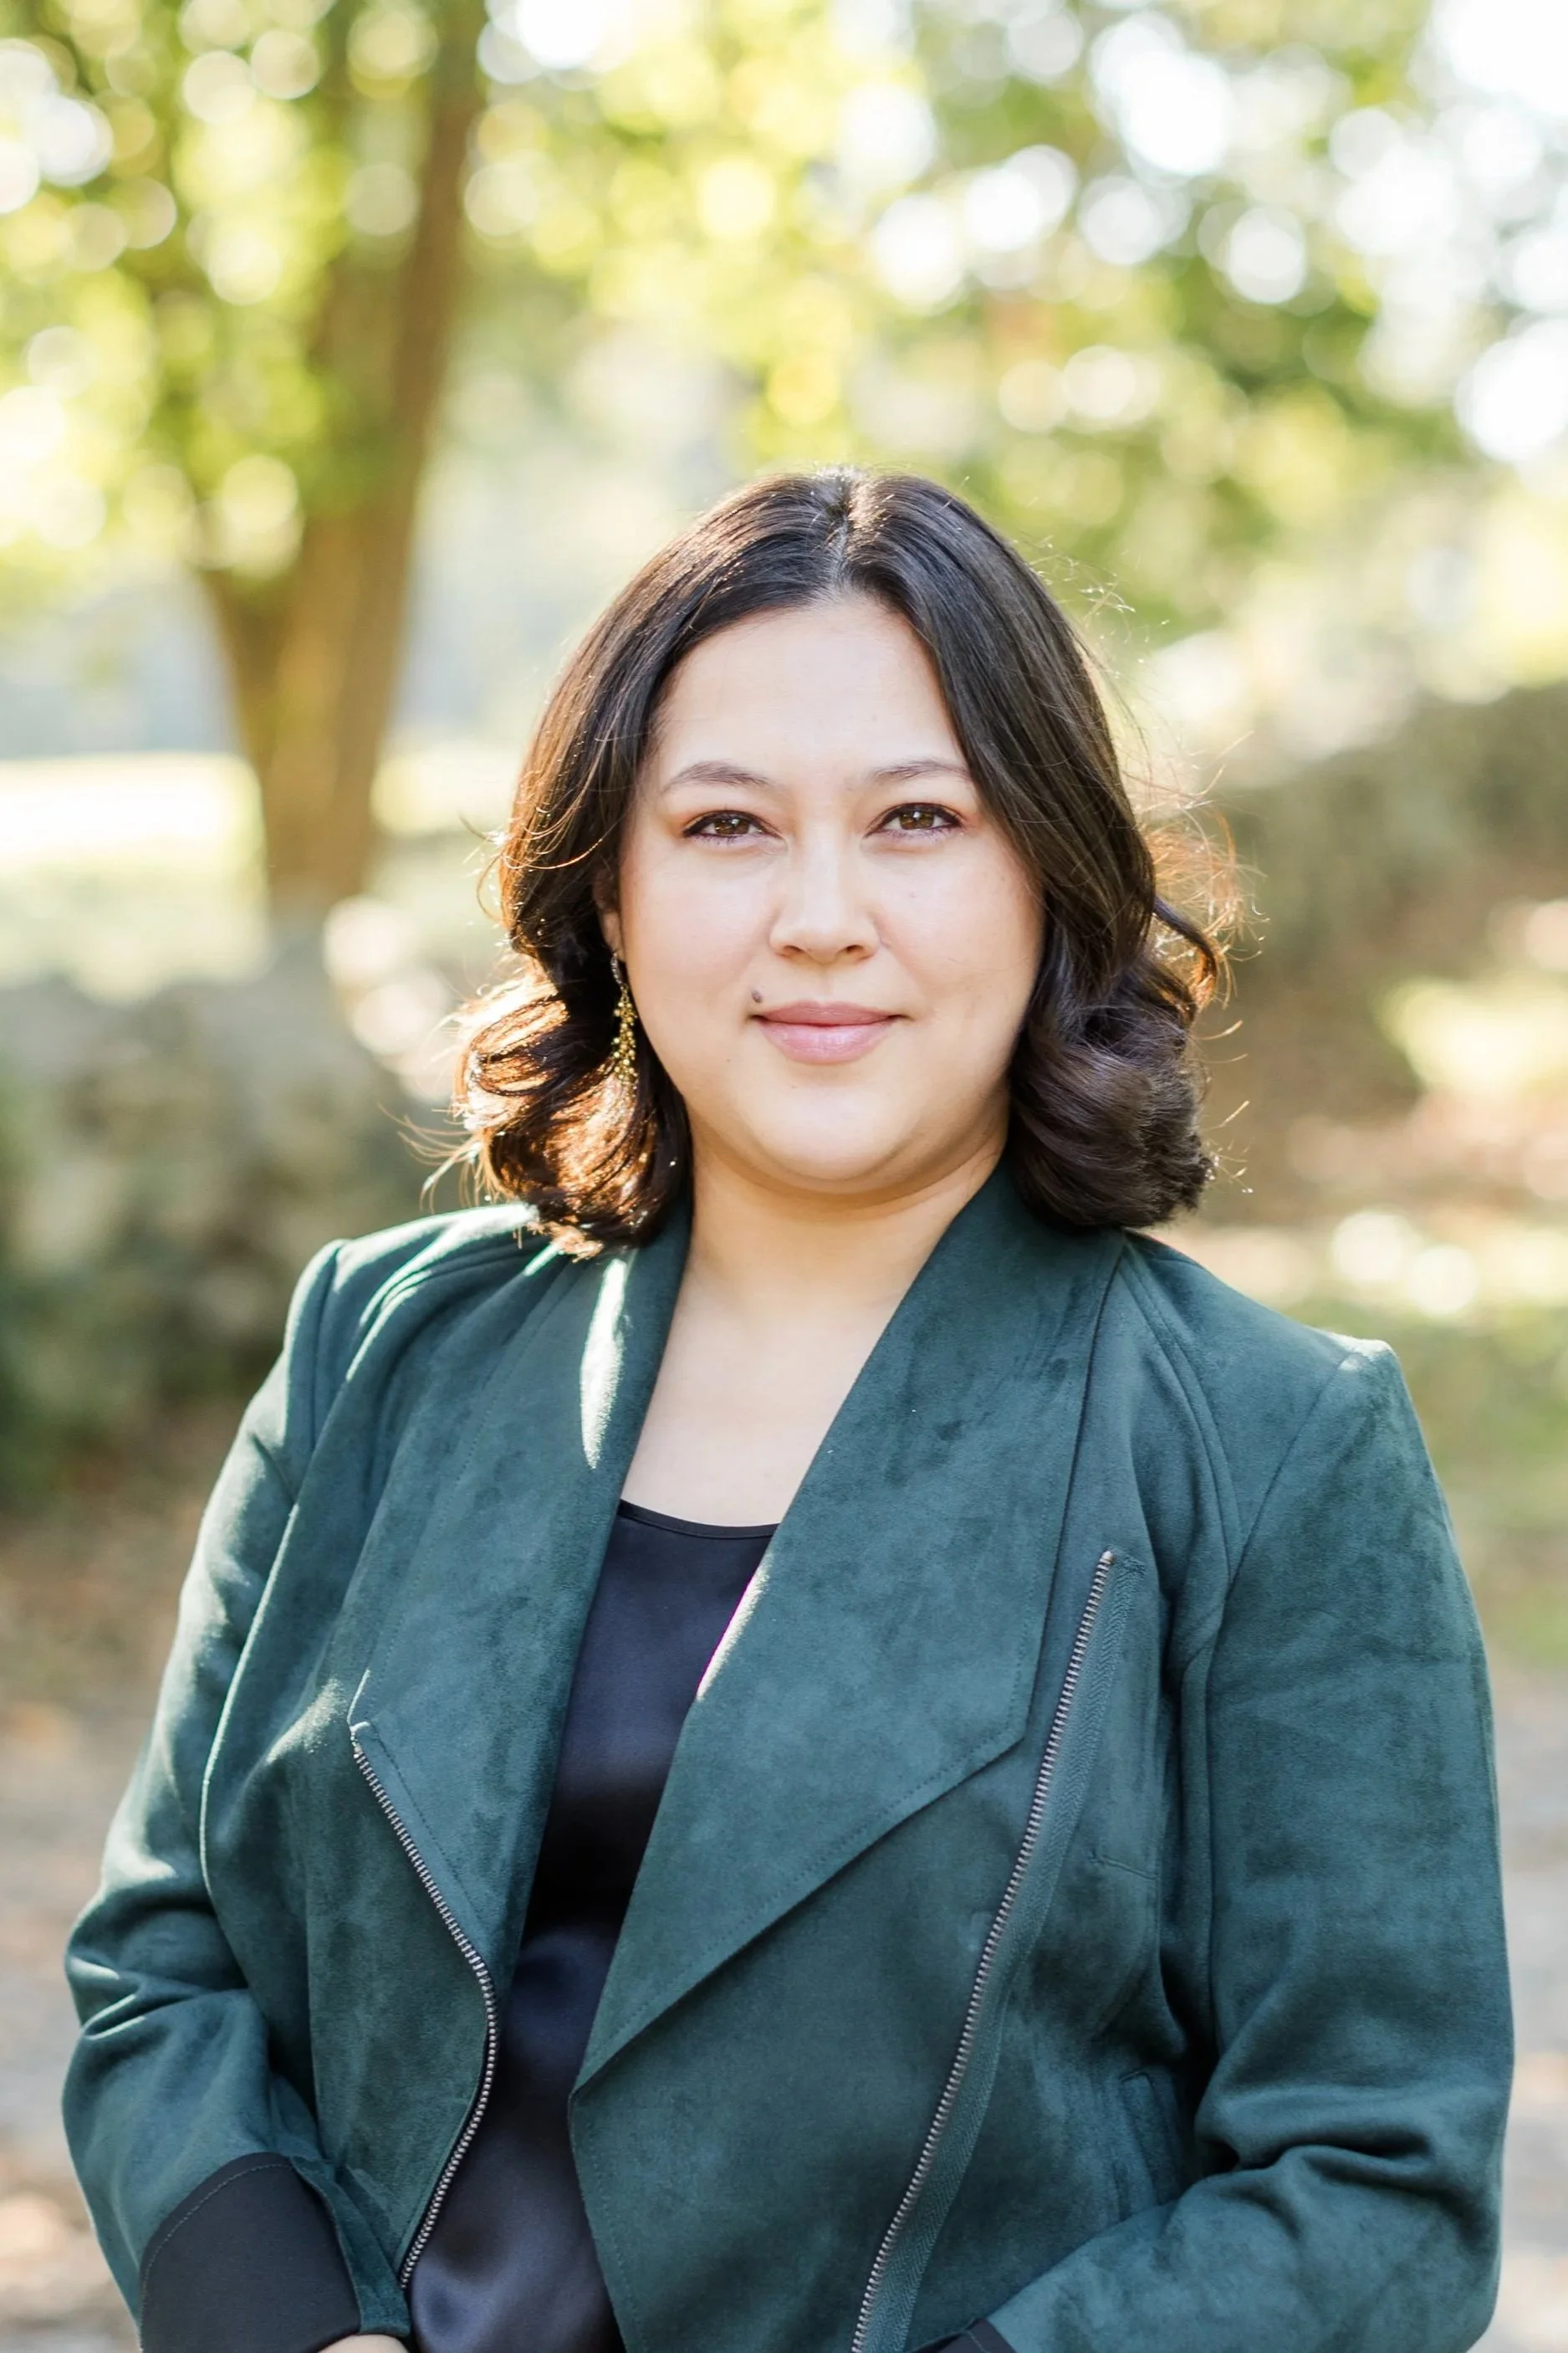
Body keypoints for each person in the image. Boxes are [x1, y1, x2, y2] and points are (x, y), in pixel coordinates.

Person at [63, 468, 1509, 2353]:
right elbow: (167, 1969)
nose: (821, 918)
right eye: (726, 824)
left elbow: (1377, 2180)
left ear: (1049, 875)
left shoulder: (1270, 1447)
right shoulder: (380, 1350)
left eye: (919, 819)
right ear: (610, 889)